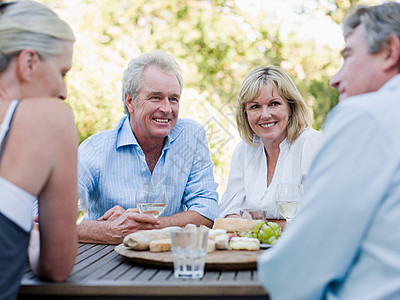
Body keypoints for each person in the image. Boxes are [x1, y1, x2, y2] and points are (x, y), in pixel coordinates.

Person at [258, 2, 400, 299]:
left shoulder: (366, 116)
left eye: (348, 57)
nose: (335, 79)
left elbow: (295, 270)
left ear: (390, 51)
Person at [77, 50, 219, 244]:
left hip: (167, 262)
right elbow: (45, 216)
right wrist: (107, 229)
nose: (167, 109)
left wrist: (147, 227)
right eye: (155, 97)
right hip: (102, 263)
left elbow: (206, 211)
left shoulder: (191, 136)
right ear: (130, 101)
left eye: (173, 99)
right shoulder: (95, 150)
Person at [0, 1, 78, 299]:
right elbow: (56, 266)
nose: (63, 91)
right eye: (63, 72)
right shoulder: (50, 119)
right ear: (28, 62)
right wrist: (30, 239)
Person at [218, 66, 322, 225]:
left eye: (274, 104)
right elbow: (227, 214)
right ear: (245, 114)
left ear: (291, 107)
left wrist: (251, 223)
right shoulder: (244, 150)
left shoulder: (310, 143)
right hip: (254, 249)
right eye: (255, 106)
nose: (265, 115)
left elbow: (320, 215)